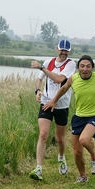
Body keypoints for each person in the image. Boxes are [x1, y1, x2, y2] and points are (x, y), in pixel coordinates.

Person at [43, 55, 95, 183]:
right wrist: (54, 101)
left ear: (92, 68)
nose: (85, 69)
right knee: (77, 152)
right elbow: (64, 88)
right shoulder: (73, 79)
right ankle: (83, 176)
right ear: (78, 68)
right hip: (78, 117)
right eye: (82, 66)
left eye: (88, 66)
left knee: (84, 139)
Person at [29, 39, 77, 181]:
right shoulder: (48, 62)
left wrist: (41, 68)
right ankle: (38, 168)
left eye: (66, 50)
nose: (63, 53)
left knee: (59, 138)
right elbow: (39, 79)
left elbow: (58, 79)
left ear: (69, 51)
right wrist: (37, 90)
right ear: (57, 49)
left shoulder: (71, 64)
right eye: (61, 50)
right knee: (43, 134)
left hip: (61, 104)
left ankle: (61, 158)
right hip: (46, 102)